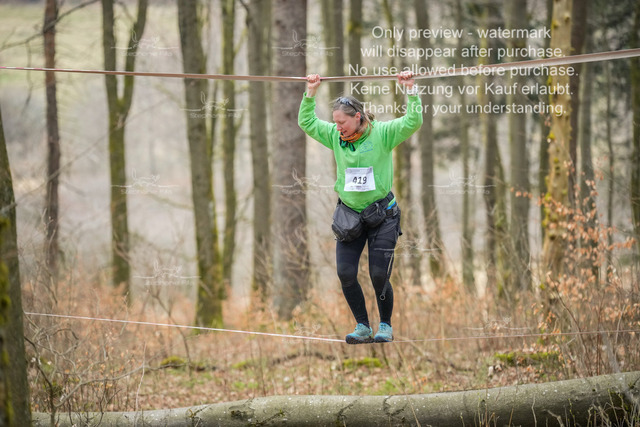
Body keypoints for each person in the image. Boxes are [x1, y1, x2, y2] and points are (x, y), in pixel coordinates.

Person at [298, 71, 423, 344]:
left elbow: (413, 121)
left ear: (357, 117)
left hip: (383, 217)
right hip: (349, 216)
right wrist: (311, 92)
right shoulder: (335, 137)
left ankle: (385, 326)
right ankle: (363, 327)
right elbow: (306, 122)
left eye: (342, 122)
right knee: (345, 273)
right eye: (335, 123)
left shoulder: (383, 134)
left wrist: (410, 90)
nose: (338, 127)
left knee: (378, 275)